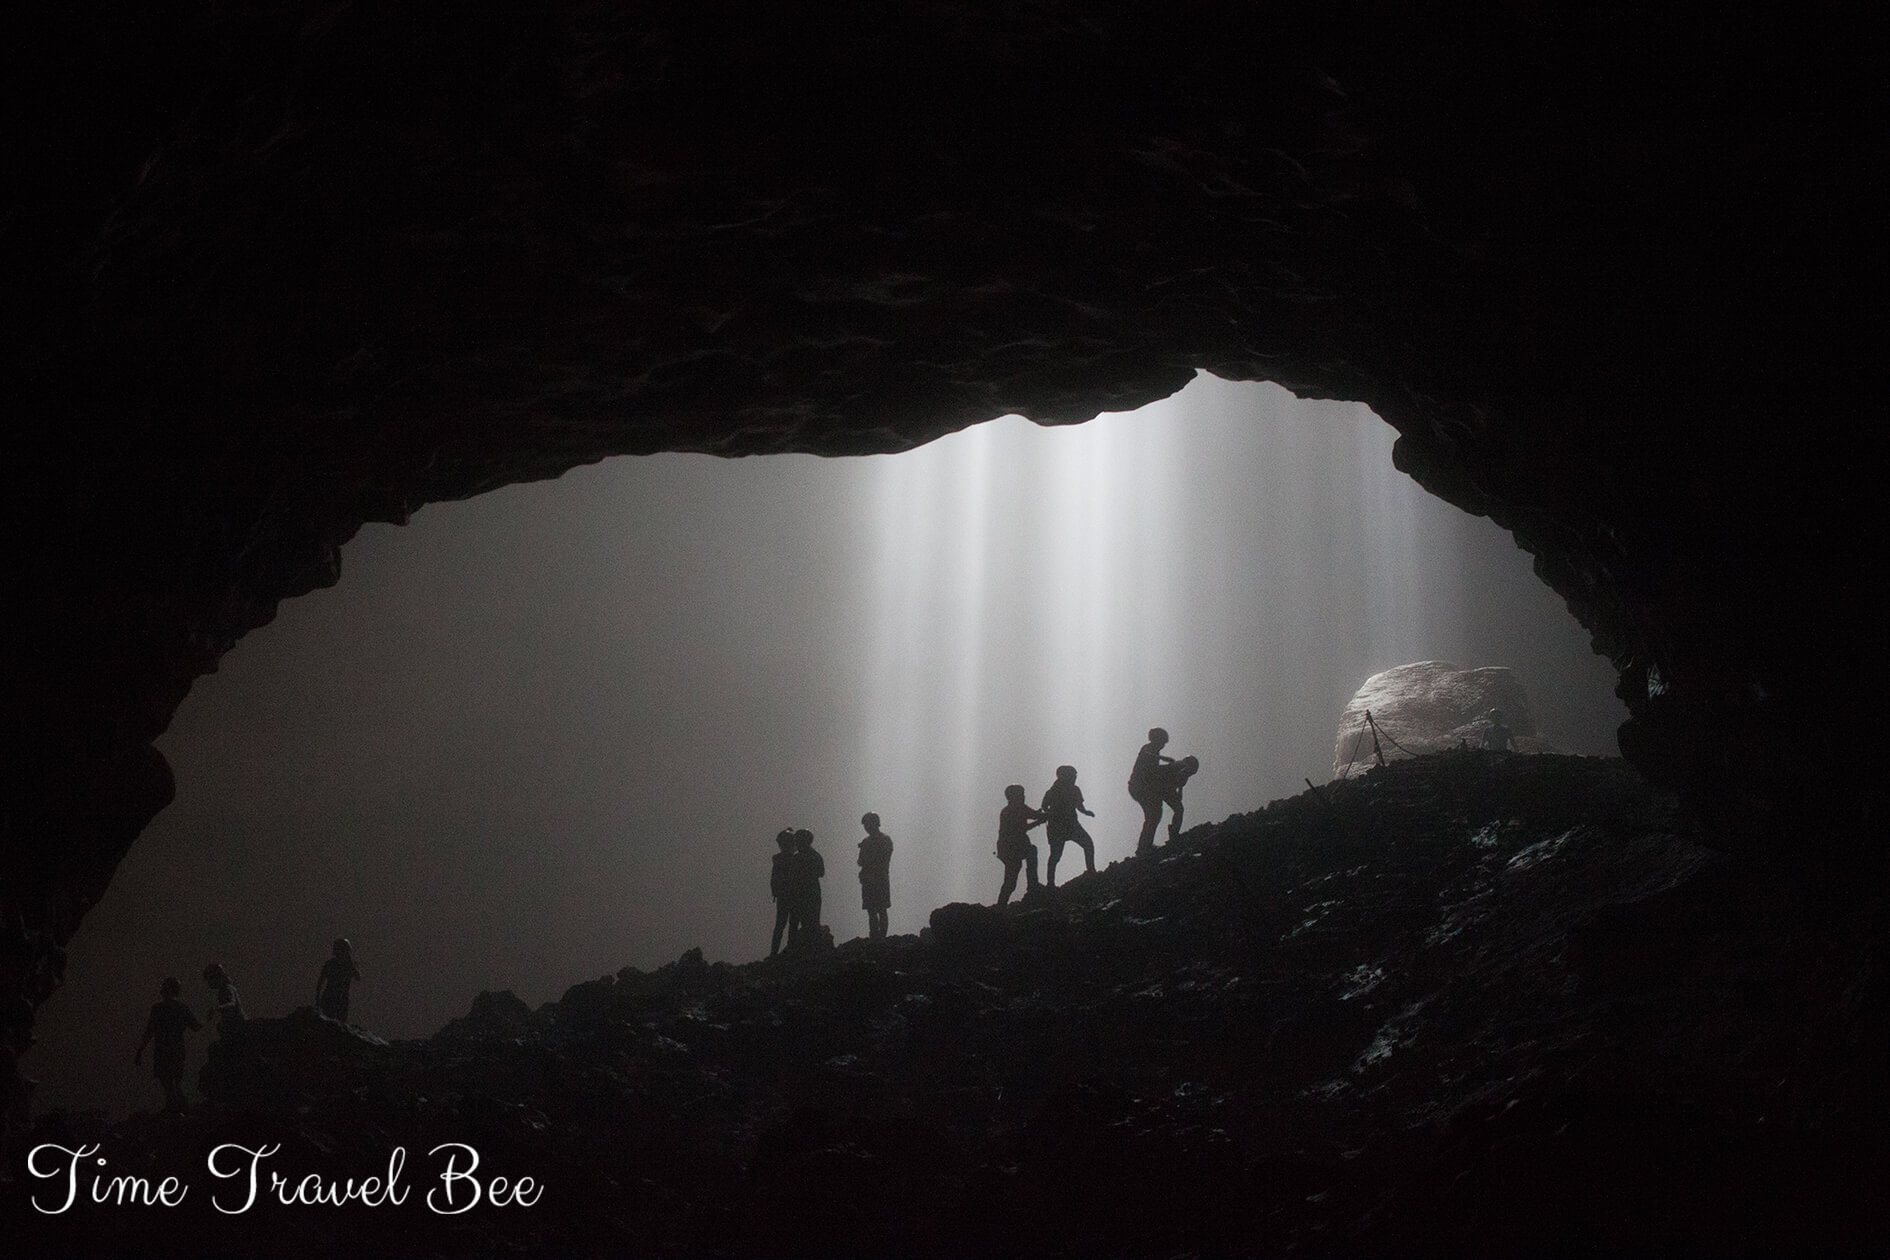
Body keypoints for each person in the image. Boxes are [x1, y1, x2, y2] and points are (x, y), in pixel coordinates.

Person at [134, 977, 200, 1113]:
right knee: (175, 1084)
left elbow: (149, 1030)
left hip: (163, 1050)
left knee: (168, 1084)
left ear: (167, 989)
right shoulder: (182, 1008)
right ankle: (182, 1112)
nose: (161, 989)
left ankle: (176, 1113)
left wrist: (140, 1050)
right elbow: (196, 1026)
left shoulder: (158, 1008)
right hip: (177, 1049)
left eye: (163, 986)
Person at [1040, 765, 1096, 888]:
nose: (1075, 778)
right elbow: (1044, 806)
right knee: (1055, 856)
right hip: (1058, 827)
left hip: (1071, 825)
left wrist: (1086, 812)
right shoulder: (1053, 792)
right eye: (1073, 775)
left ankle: (1091, 870)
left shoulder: (1074, 789)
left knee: (1088, 844)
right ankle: (1050, 883)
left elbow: (1079, 806)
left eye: (1075, 776)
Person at [994, 785, 1046, 906]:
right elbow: (1022, 828)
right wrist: (1040, 820)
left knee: (1031, 853)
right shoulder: (1009, 811)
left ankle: (1032, 884)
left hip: (1014, 846)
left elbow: (1034, 814)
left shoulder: (1018, 808)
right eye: (1021, 795)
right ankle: (1001, 905)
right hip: (1010, 848)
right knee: (1011, 880)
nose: (1023, 797)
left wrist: (1042, 816)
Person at [1127, 727, 1176, 856]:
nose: (1163, 745)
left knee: (1154, 815)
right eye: (1162, 742)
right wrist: (1167, 763)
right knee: (1153, 815)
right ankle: (1144, 847)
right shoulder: (1148, 749)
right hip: (1138, 787)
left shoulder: (1153, 752)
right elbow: (1151, 766)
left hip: (1142, 788)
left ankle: (1145, 845)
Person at [786, 829, 825, 951]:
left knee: (805, 923)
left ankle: (802, 949)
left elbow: (820, 872)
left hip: (805, 894)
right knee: (800, 922)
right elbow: (820, 872)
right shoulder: (813, 856)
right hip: (805, 893)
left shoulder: (803, 857)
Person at [857, 813, 894, 941]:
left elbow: (862, 861)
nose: (866, 827)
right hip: (876, 879)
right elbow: (861, 861)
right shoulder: (883, 840)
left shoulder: (872, 842)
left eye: (867, 824)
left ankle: (877, 937)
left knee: (877, 910)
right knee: (877, 910)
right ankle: (878, 937)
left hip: (875, 880)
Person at [1154, 754, 1201, 843]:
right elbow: (1169, 771)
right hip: (1161, 787)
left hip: (1165, 789)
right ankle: (1173, 833)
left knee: (1177, 810)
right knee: (1175, 811)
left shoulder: (1184, 774)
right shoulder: (1181, 766)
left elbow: (1180, 787)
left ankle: (1174, 833)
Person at [315, 938, 360, 1023]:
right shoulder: (330, 964)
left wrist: (352, 965)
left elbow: (358, 977)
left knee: (340, 1023)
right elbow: (321, 981)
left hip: (343, 998)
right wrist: (317, 997)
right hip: (330, 997)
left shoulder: (351, 964)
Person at [769, 829, 797, 957]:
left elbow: (774, 879)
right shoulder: (793, 859)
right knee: (788, 923)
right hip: (788, 895)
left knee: (784, 924)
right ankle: (786, 950)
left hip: (785, 895)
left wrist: (776, 891)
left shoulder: (780, 859)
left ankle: (779, 951)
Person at [202, 962, 244, 1036]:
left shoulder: (227, 988)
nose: (208, 983)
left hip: (238, 1027)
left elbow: (232, 1004)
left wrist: (216, 1008)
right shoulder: (223, 990)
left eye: (209, 979)